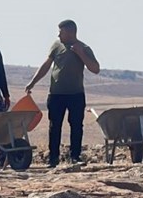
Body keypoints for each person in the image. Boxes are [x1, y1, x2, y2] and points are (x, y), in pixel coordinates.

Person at [24, 19, 100, 167]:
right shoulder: (56, 46)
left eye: (61, 32)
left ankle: (75, 157)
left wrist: (81, 54)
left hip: (76, 94)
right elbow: (46, 65)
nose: (58, 35)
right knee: (54, 125)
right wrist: (33, 82)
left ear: (71, 32)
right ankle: (53, 159)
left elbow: (95, 68)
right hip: (56, 94)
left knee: (76, 125)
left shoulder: (83, 47)